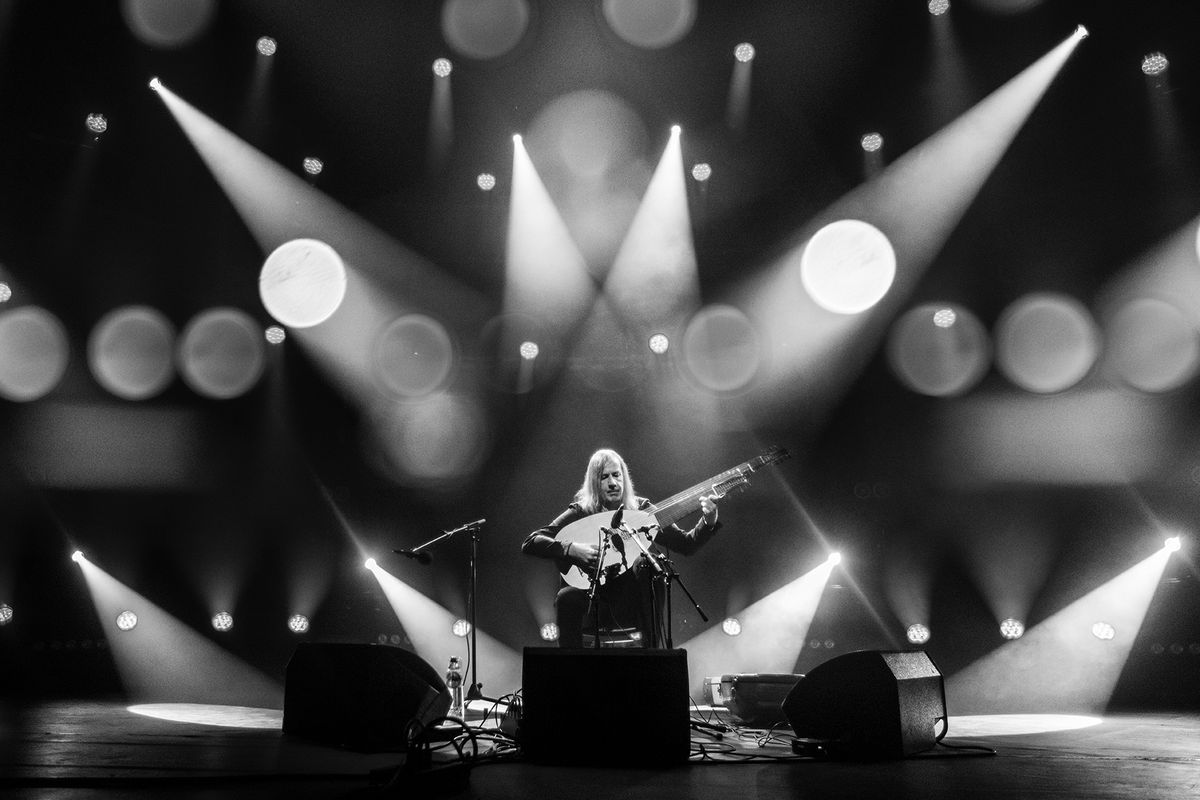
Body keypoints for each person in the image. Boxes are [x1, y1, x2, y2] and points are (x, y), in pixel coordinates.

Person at [521, 448, 721, 648]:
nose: (612, 483)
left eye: (616, 475)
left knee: (649, 564)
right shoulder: (581, 512)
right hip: (592, 600)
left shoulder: (641, 510)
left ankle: (652, 657)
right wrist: (572, 549)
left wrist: (708, 520)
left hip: (629, 600)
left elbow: (685, 544)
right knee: (566, 598)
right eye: (604, 477)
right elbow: (532, 541)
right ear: (594, 483)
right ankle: (570, 672)